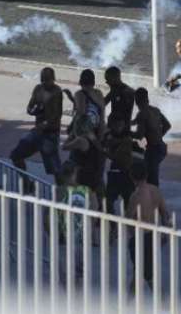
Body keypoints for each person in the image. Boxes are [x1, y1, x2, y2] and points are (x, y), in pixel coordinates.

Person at [62, 69, 107, 205]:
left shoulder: (80, 94)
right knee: (98, 177)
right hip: (98, 137)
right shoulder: (99, 94)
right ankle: (103, 207)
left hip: (84, 137)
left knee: (77, 173)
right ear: (93, 82)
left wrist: (72, 132)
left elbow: (80, 114)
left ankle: (80, 203)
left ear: (81, 81)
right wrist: (99, 139)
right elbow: (102, 118)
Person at [10, 67, 63, 182]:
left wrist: (45, 124)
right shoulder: (38, 89)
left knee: (56, 169)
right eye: (43, 79)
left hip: (50, 134)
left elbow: (57, 115)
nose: (45, 82)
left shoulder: (57, 92)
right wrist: (34, 109)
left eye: (48, 79)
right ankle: (26, 182)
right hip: (37, 132)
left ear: (53, 79)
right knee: (16, 155)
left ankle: (63, 195)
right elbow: (30, 107)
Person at [126, 161, 170, 289]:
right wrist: (165, 234)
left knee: (146, 274)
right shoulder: (155, 190)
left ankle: (162, 303)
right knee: (140, 272)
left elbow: (128, 219)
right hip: (153, 234)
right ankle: (128, 303)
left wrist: (131, 237)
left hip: (141, 237)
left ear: (131, 177)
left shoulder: (135, 196)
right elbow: (164, 213)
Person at [103, 115, 143, 216]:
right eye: (116, 125)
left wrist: (103, 149)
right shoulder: (109, 136)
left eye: (121, 125)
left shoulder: (126, 139)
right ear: (112, 125)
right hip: (115, 173)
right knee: (108, 201)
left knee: (128, 202)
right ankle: (112, 225)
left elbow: (114, 156)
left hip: (126, 174)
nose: (119, 127)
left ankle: (132, 224)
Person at [131, 87, 170, 187]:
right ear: (147, 99)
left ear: (136, 101)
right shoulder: (155, 110)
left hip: (153, 150)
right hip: (161, 147)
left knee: (151, 180)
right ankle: (152, 197)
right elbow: (167, 125)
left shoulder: (142, 114)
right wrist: (158, 136)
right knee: (150, 176)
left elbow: (139, 136)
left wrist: (126, 132)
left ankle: (153, 199)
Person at [104, 66, 136, 130]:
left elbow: (102, 103)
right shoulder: (116, 90)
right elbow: (103, 102)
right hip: (119, 127)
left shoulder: (119, 91)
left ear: (115, 78)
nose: (107, 83)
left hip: (118, 129)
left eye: (108, 80)